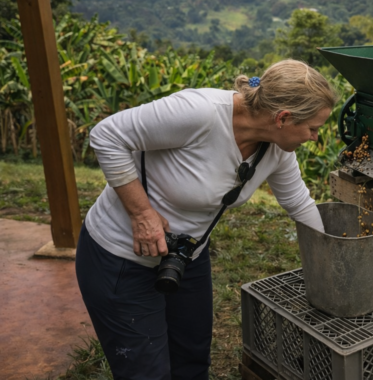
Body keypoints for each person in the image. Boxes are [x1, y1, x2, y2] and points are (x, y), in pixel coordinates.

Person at [75, 59, 337, 379]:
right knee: (145, 371)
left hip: (186, 259)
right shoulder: (199, 113)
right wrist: (142, 214)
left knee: (192, 360)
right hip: (119, 260)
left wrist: (332, 264)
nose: (314, 137)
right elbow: (106, 135)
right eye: (313, 128)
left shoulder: (278, 150)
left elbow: (299, 203)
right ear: (283, 117)